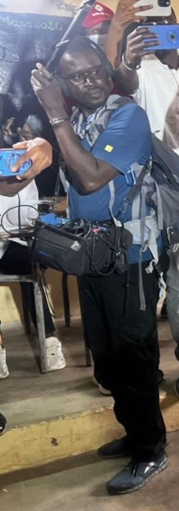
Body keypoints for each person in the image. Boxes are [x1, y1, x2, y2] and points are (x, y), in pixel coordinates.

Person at [31, 36, 167, 495]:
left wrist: (55, 114)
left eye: (96, 71)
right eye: (79, 75)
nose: (91, 81)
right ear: (63, 81)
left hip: (130, 258)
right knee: (106, 359)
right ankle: (133, 432)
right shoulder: (84, 118)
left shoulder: (127, 115)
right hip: (93, 254)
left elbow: (90, 180)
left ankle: (151, 450)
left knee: (134, 357)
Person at [112, 3, 179, 399]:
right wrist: (127, 56)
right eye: (151, 25)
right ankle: (178, 362)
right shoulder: (140, 69)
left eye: (165, 23)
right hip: (161, 192)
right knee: (169, 285)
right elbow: (122, 85)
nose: (159, 30)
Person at [0, 137, 66, 377]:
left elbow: (32, 211)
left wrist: (45, 148)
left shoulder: (27, 158)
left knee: (33, 269)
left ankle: (48, 339)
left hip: (19, 241)